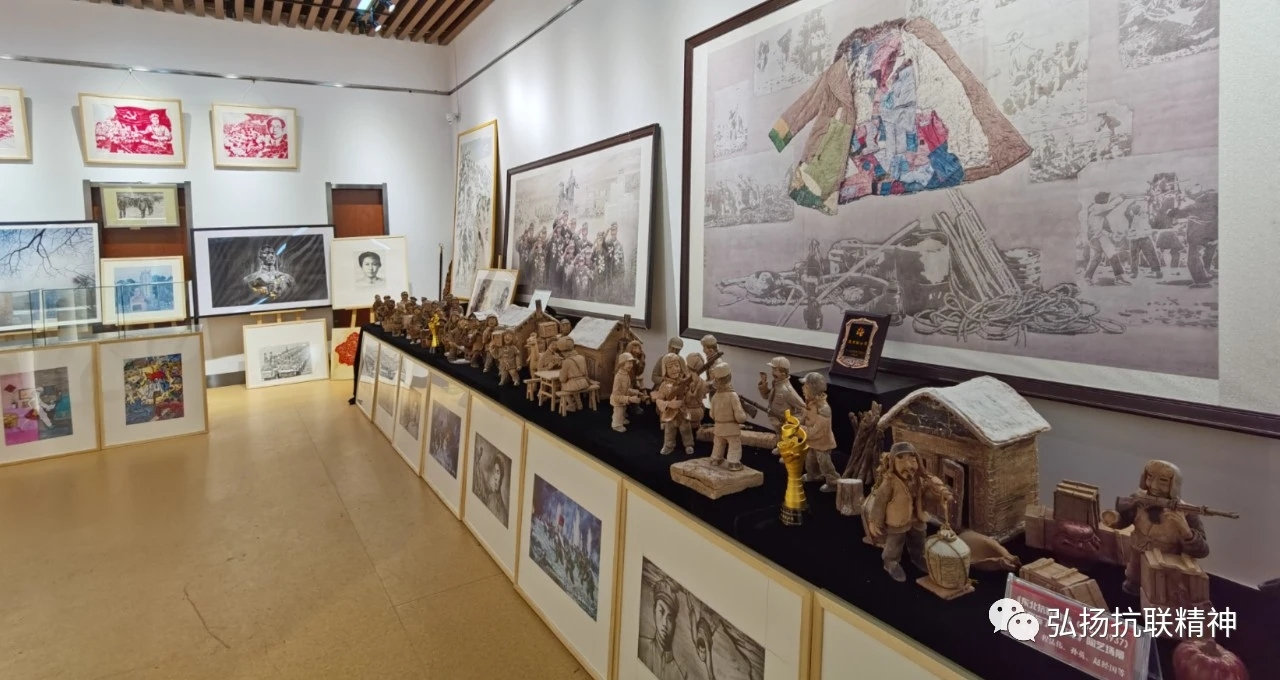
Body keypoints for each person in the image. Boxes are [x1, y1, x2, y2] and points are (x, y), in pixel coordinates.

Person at [1112, 460, 1210, 596]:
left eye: (1163, 481)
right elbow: (1124, 521)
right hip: (1136, 563)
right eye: (1150, 477)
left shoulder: (1186, 512)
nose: (1154, 485)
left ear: (1174, 484)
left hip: (1164, 569)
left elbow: (1202, 551)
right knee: (1130, 591)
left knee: (1158, 596)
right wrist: (1114, 519)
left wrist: (1186, 530)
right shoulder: (1139, 500)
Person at [865, 442, 953, 582]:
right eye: (901, 460)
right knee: (895, 543)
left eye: (912, 459)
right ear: (893, 462)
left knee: (918, 540)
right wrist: (875, 520)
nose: (908, 465)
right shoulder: (890, 482)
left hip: (916, 516)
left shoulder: (918, 479)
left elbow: (929, 489)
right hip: (897, 518)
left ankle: (918, 557)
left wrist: (941, 493)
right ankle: (890, 562)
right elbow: (880, 502)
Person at [637, 579, 688, 680]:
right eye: (661, 611)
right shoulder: (640, 646)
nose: (665, 623)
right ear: (654, 611)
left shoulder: (678, 676)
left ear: (674, 624)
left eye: (670, 618)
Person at [800, 373, 840, 492]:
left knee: (824, 463)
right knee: (810, 460)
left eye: (805, 387)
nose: (802, 388)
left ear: (813, 390)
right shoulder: (809, 402)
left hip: (822, 442)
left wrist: (798, 429)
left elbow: (817, 431)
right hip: (811, 441)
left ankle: (833, 482)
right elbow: (804, 417)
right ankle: (814, 475)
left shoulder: (824, 409)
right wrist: (795, 422)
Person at [1083, 191, 1132, 286]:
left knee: (1096, 258)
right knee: (1112, 254)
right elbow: (1111, 206)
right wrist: (1121, 198)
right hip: (1098, 236)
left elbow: (1104, 222)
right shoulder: (1098, 207)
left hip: (1093, 237)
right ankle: (1119, 278)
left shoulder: (1094, 209)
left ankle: (1087, 277)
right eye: (1105, 199)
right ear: (1101, 199)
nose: (1107, 200)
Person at [708, 362, 747, 472]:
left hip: (718, 427)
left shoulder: (715, 396)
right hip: (731, 428)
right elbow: (739, 416)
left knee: (718, 444)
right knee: (734, 444)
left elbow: (711, 414)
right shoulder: (732, 396)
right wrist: (743, 417)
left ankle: (715, 459)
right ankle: (733, 462)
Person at [653, 354, 694, 456]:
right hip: (670, 414)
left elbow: (689, 397)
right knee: (669, 431)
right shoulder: (664, 385)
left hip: (682, 412)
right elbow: (659, 400)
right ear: (665, 369)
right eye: (670, 367)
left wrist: (690, 393)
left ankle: (688, 444)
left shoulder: (684, 382)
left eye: (677, 365)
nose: (674, 369)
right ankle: (668, 446)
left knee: (686, 429)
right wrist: (669, 404)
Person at [758, 357, 805, 433]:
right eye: (773, 370)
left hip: (784, 427)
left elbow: (802, 409)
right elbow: (767, 396)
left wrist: (792, 422)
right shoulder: (776, 385)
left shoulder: (787, 391)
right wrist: (763, 385)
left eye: (775, 370)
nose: (773, 373)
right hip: (776, 423)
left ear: (783, 373)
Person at [610, 352, 641, 432]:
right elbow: (616, 396)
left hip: (623, 400)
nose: (631, 365)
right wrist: (629, 399)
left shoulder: (626, 374)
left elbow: (627, 389)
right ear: (622, 363)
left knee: (623, 410)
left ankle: (622, 419)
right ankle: (616, 425)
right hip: (618, 401)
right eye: (629, 363)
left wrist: (636, 392)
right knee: (618, 412)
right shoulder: (618, 377)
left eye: (632, 363)